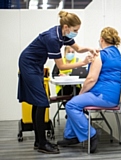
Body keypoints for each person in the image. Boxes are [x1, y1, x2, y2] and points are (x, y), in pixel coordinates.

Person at [18, 11, 98, 154]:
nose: (76, 33)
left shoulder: (63, 34)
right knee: (42, 102)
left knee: (39, 102)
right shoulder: (53, 38)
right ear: (66, 27)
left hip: (36, 65)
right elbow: (61, 66)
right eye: (75, 30)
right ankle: (42, 143)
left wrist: (89, 48)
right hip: (28, 64)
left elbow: (78, 49)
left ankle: (39, 141)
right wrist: (83, 63)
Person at [57, 27, 121, 153]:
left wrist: (81, 93)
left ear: (102, 39)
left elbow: (91, 79)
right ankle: (70, 136)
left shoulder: (100, 55)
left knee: (71, 104)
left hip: (102, 95)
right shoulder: (117, 54)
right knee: (76, 103)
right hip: (113, 96)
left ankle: (91, 134)